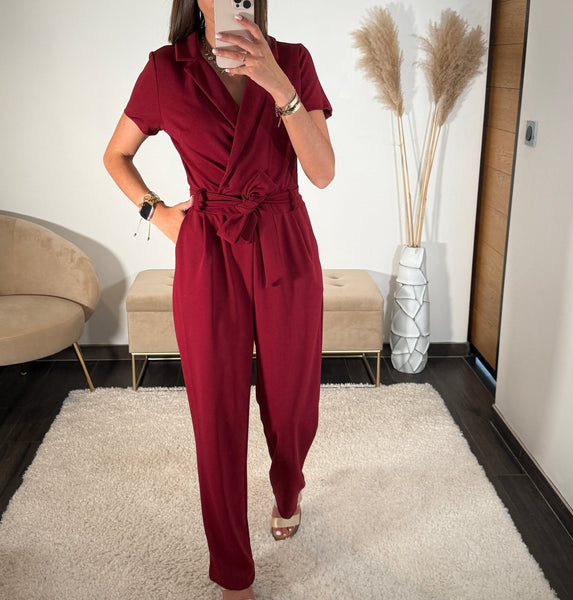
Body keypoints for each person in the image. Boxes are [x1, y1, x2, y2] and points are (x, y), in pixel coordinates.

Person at [103, 0, 334, 598]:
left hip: (283, 238)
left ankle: (288, 486)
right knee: (217, 415)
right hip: (209, 249)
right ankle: (232, 571)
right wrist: (158, 213)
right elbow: (115, 155)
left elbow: (323, 171)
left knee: (293, 404)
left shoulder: (292, 61)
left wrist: (277, 84)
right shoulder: (166, 70)